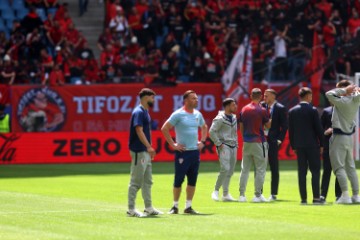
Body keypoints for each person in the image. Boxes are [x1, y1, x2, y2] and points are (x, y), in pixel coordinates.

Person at [161, 90, 208, 214]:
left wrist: (202, 141)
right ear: (186, 101)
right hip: (183, 153)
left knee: (192, 180)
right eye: (193, 98)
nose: (196, 100)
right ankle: (175, 206)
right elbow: (165, 128)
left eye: (197, 98)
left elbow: (204, 127)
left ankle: (188, 206)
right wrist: (173, 144)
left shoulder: (198, 114)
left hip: (194, 152)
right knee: (179, 179)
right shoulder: (178, 114)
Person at [127, 88, 163, 217]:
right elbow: (139, 130)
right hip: (139, 150)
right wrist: (149, 147)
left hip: (145, 151)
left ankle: (148, 207)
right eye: (152, 97)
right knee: (136, 181)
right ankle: (131, 209)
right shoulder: (139, 112)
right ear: (146, 97)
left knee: (147, 181)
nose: (153, 100)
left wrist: (149, 148)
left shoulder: (145, 111)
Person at [325, 80, 360, 204]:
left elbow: (329, 94)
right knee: (350, 167)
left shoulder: (343, 101)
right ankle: (356, 195)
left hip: (339, 137)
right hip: (348, 137)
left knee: (339, 167)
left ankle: (345, 195)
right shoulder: (355, 101)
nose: (338, 92)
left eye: (339, 89)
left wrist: (345, 90)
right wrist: (353, 91)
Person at [288, 87, 324, 205]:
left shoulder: (292, 111)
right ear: (308, 96)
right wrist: (322, 144)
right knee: (315, 171)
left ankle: (303, 199)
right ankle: (316, 198)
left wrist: (293, 146)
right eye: (311, 95)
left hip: (299, 146)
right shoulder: (313, 110)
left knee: (302, 172)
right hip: (312, 145)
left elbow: (291, 131)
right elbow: (318, 129)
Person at [238, 88, 271, 203]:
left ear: (251, 96)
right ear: (261, 96)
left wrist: (245, 138)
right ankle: (257, 195)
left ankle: (242, 195)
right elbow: (268, 126)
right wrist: (269, 113)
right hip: (258, 142)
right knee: (261, 169)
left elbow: (241, 127)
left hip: (247, 142)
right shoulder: (262, 110)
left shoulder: (244, 109)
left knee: (244, 169)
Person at [209, 98, 238, 202]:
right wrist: (218, 143)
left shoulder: (234, 117)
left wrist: (237, 144)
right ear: (227, 106)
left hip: (233, 146)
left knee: (230, 170)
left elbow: (235, 132)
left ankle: (225, 194)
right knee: (225, 168)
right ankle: (216, 190)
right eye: (233, 105)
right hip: (224, 145)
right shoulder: (219, 118)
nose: (235, 107)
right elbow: (211, 131)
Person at [262, 89, 288, 201]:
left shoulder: (280, 108)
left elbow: (285, 126)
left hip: (273, 141)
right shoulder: (261, 106)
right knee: (260, 167)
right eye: (263, 95)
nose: (264, 97)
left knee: (274, 167)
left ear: (273, 96)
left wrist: (280, 140)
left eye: (266, 95)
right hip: (261, 140)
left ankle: (273, 193)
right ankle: (259, 193)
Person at [320, 105, 341, 202]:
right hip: (328, 145)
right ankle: (323, 195)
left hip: (341, 145)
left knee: (339, 171)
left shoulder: (345, 110)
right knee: (327, 171)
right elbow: (320, 128)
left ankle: (339, 195)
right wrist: (325, 132)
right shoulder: (326, 111)